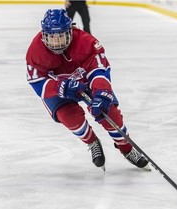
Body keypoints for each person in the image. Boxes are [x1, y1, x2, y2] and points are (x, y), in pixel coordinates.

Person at [26, 8, 149, 171]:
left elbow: (99, 70)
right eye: (52, 38)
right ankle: (92, 142)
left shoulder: (85, 42)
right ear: (44, 35)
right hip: (57, 90)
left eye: (61, 36)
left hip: (86, 82)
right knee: (69, 118)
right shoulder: (35, 51)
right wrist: (60, 86)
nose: (57, 43)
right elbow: (37, 81)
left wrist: (101, 92)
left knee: (109, 113)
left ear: (70, 31)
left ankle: (126, 149)